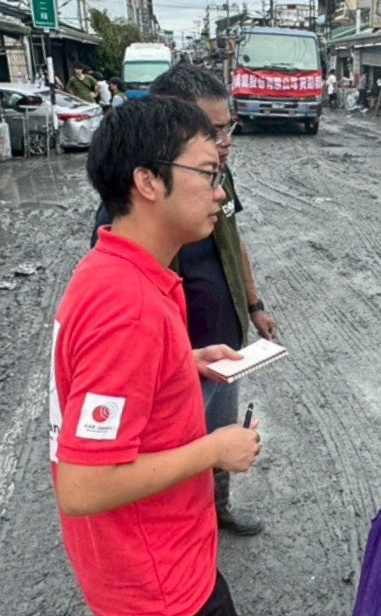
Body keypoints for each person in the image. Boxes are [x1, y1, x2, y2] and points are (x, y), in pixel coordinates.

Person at [53, 95, 261, 616]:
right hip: (162, 582)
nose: (219, 192)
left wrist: (181, 365)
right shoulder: (130, 308)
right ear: (148, 181)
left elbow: (104, 390)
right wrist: (214, 450)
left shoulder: (116, 271)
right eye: (207, 172)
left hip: (131, 572)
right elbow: (84, 484)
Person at [92, 63, 278, 535]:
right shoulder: (124, 274)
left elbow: (234, 241)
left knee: (217, 434)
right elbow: (90, 480)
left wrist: (253, 306)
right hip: (174, 362)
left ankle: (215, 511)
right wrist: (176, 357)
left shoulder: (217, 182)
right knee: (174, 454)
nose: (226, 141)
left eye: (228, 127)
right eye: (213, 131)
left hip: (215, 350)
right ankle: (184, 527)